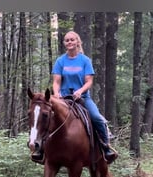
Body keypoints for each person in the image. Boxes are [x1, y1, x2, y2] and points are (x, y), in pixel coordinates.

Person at [51, 31, 118, 163]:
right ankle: (41, 150)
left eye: (72, 40)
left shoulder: (85, 61)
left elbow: (89, 81)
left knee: (97, 118)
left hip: (82, 98)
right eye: (67, 40)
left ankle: (106, 148)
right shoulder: (60, 61)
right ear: (65, 43)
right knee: (46, 117)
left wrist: (80, 91)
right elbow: (56, 82)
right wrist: (56, 93)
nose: (69, 42)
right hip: (64, 99)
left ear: (77, 42)